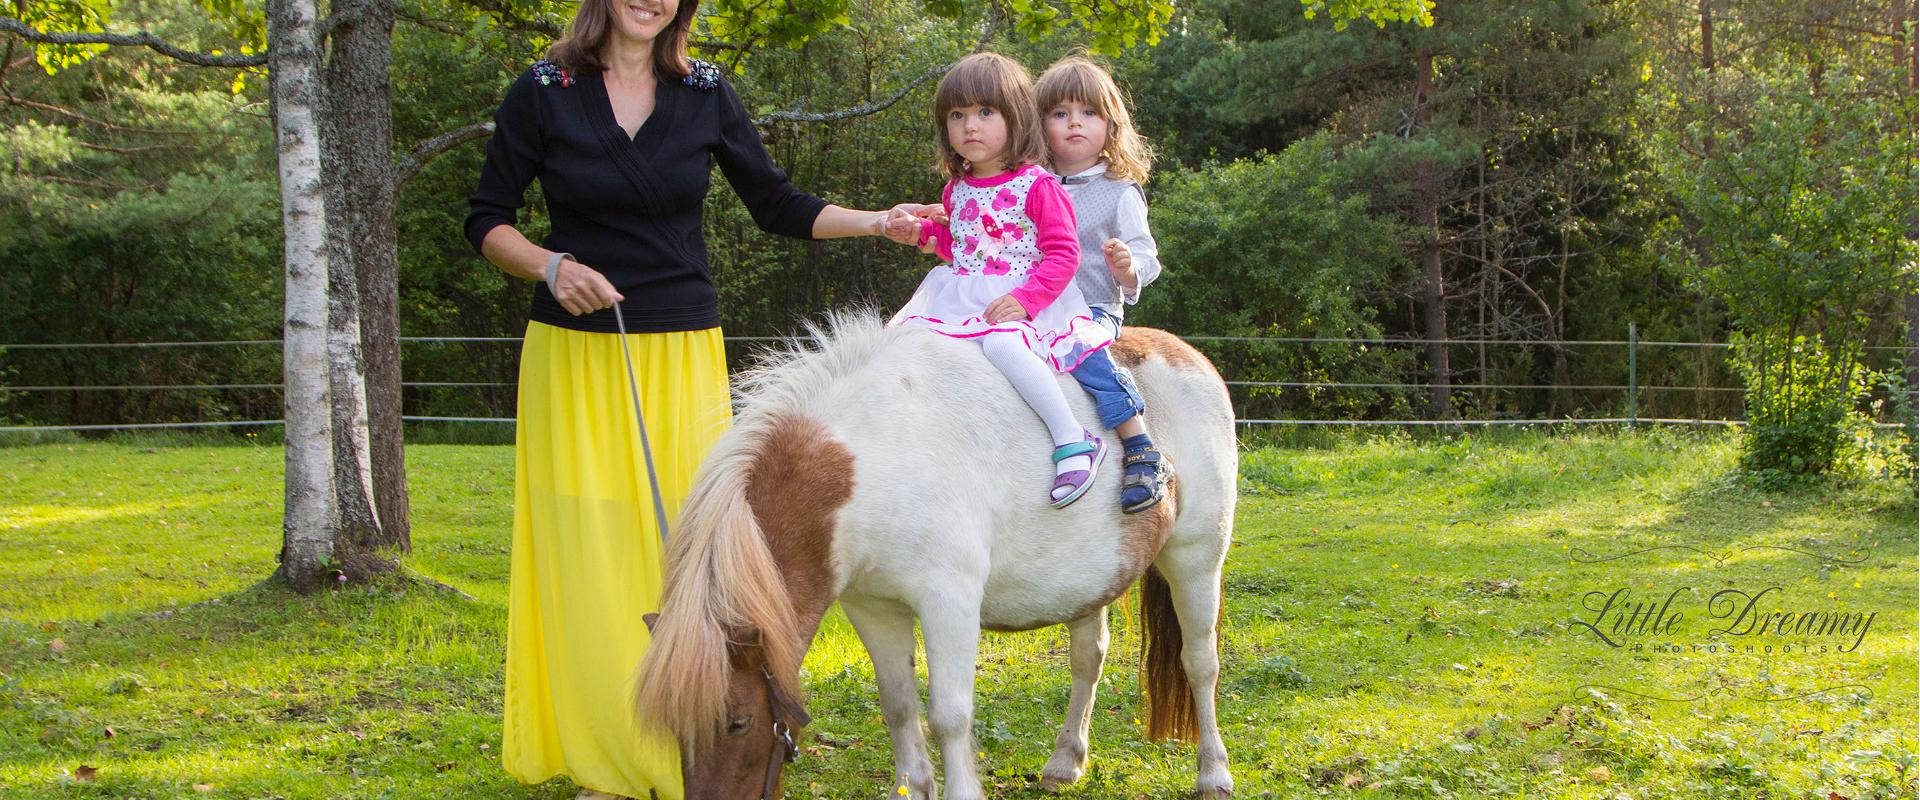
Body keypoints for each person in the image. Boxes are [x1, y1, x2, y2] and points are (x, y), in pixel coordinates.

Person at [462, 0, 921, 796]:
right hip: (574, 358)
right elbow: (486, 221)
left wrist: (878, 222)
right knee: (588, 545)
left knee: (690, 551)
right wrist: (550, 267)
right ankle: (603, 749)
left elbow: (775, 203)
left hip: (681, 349)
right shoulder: (543, 87)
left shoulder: (707, 90)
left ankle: (690, 743)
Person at [882, 52, 1114, 508]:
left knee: (1002, 346)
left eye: (985, 112)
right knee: (902, 345)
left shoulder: (1036, 185)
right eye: (957, 115)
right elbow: (967, 247)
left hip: (1025, 297)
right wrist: (923, 234)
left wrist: (1026, 300)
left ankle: (1073, 439)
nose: (970, 126)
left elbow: (1063, 253)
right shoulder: (957, 188)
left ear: (1015, 117)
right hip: (962, 294)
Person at [1034, 55, 1173, 514]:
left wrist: (1127, 267)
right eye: (1060, 113)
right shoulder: (1032, 186)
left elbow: (1148, 256)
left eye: (1089, 113)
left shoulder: (1120, 191)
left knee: (1083, 354)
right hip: (1035, 305)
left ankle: (1140, 447)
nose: (1075, 123)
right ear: (1041, 126)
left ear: (1110, 126)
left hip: (1092, 308)